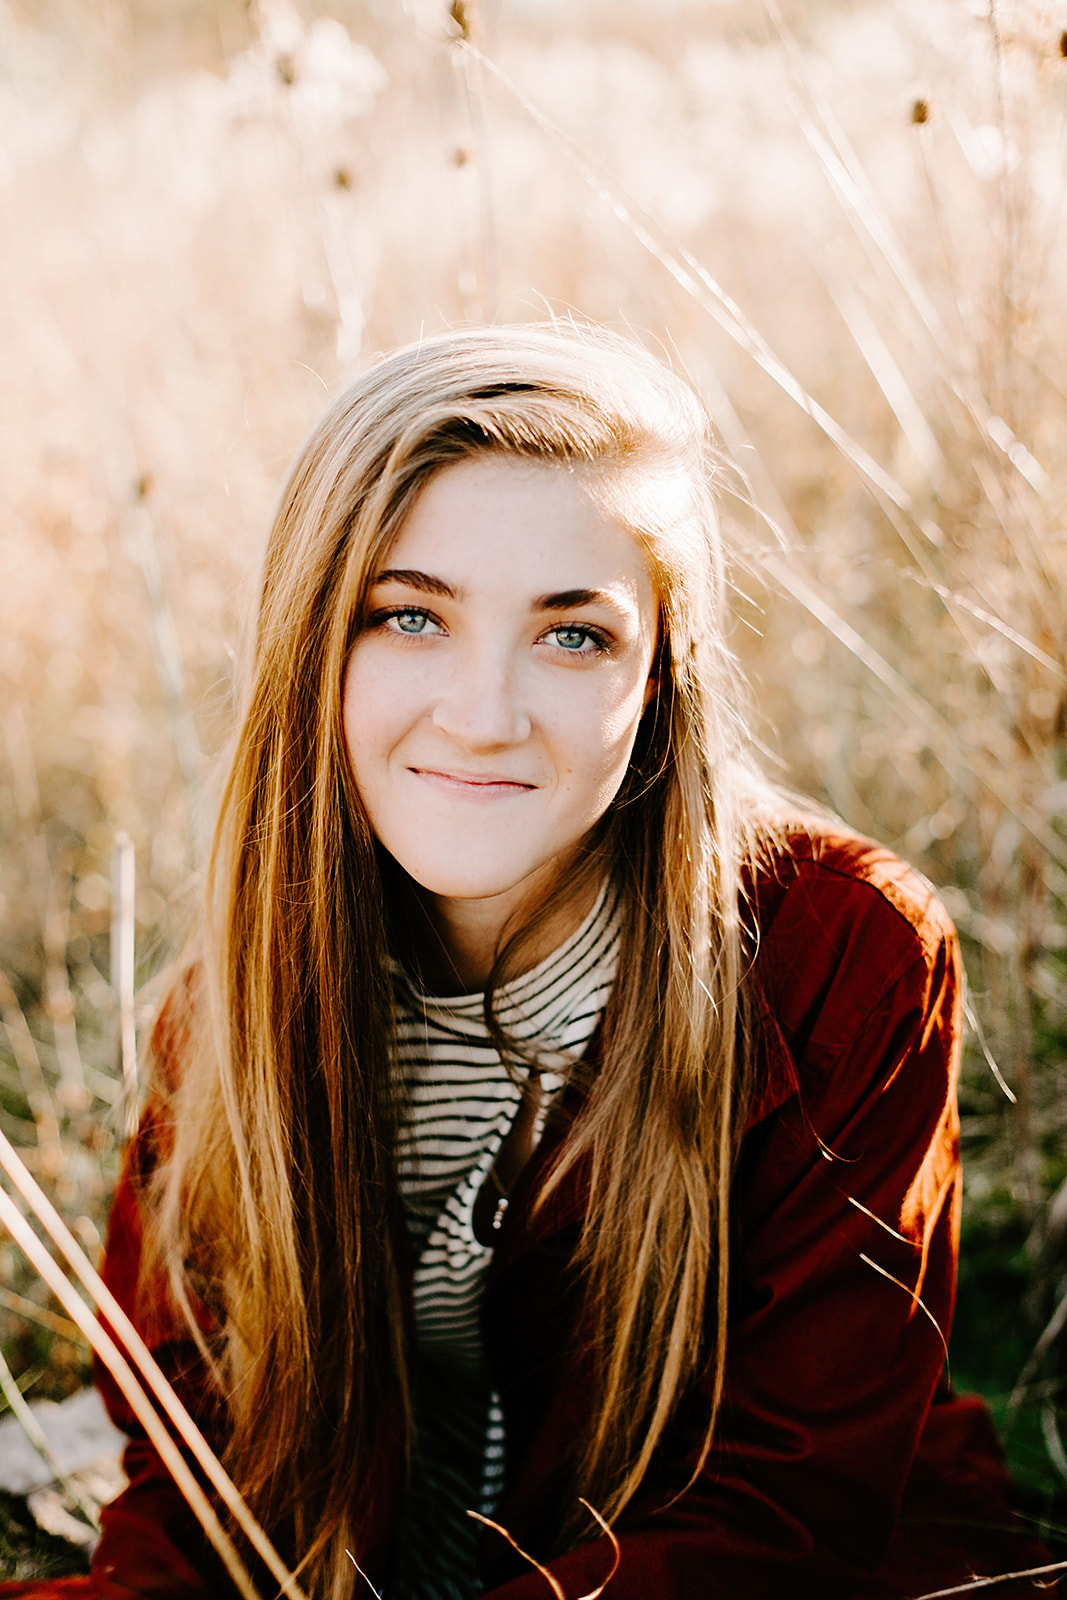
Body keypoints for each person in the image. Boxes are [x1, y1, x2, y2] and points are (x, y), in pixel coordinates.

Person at [2, 324, 1050, 1600]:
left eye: (573, 636)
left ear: (661, 674)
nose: (482, 715)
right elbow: (195, 1478)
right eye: (408, 617)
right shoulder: (232, 1010)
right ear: (312, 648)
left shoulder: (836, 956)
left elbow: (782, 1508)